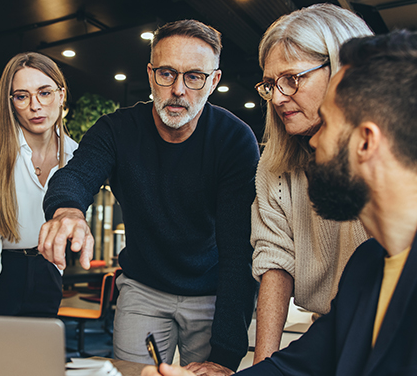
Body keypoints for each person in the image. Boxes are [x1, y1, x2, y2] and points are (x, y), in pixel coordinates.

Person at [143, 30, 417, 376]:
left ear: (365, 142)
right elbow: (298, 368)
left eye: (326, 124)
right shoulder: (369, 265)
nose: (314, 144)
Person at [39, 20, 260, 375]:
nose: (178, 90)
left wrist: (224, 355)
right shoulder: (116, 129)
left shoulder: (234, 140)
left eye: (194, 77)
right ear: (150, 73)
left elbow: (238, 251)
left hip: (211, 292)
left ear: (214, 81)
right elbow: (76, 175)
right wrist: (67, 211)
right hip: (142, 288)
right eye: (167, 74)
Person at [249, 4, 372, 363]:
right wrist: (262, 365)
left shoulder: (392, 159)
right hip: (329, 330)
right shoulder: (274, 166)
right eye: (270, 84)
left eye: (291, 79)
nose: (279, 97)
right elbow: (275, 262)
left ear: (342, 70)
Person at [0, 52, 76, 318]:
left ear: (61, 94)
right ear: (11, 103)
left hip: (46, 272)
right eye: (22, 96)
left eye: (44, 93)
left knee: (37, 358)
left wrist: (55, 270)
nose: (35, 105)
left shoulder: (75, 155)